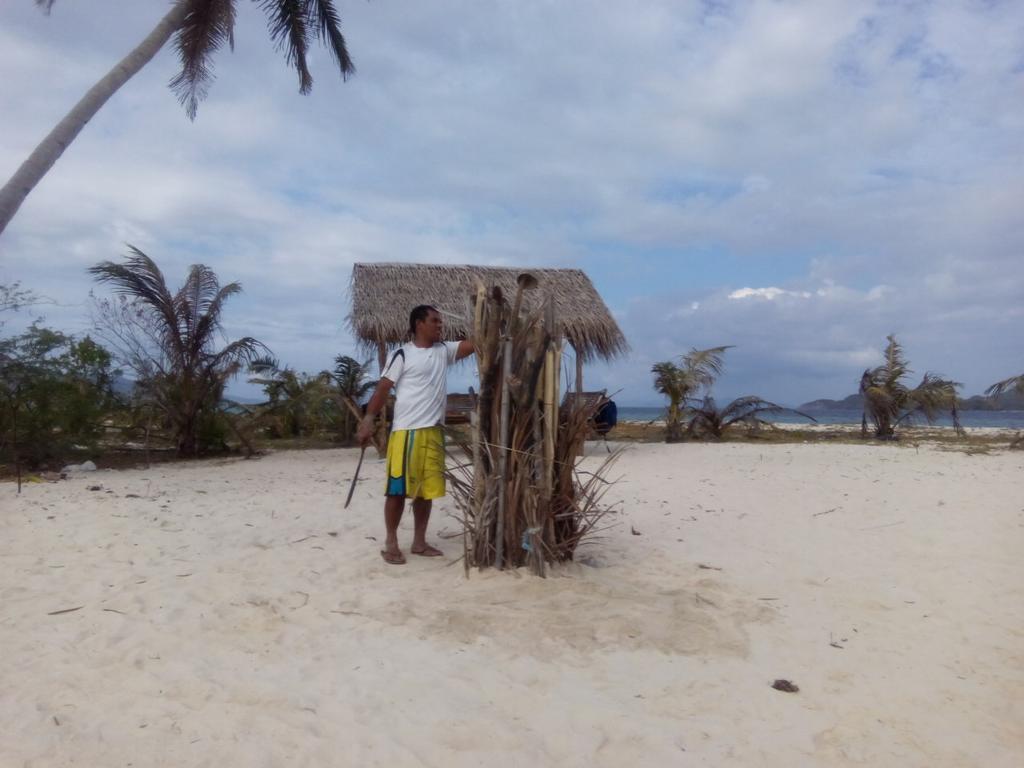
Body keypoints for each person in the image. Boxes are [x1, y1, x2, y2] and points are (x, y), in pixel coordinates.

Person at [356, 305, 475, 565]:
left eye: (440, 321)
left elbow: (474, 345)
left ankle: (419, 542)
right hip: (406, 432)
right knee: (397, 490)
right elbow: (383, 388)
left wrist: (484, 319)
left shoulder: (444, 351)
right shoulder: (402, 354)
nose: (440, 325)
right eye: (435, 321)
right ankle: (391, 542)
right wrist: (367, 420)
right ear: (419, 323)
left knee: (425, 491)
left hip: (433, 432)